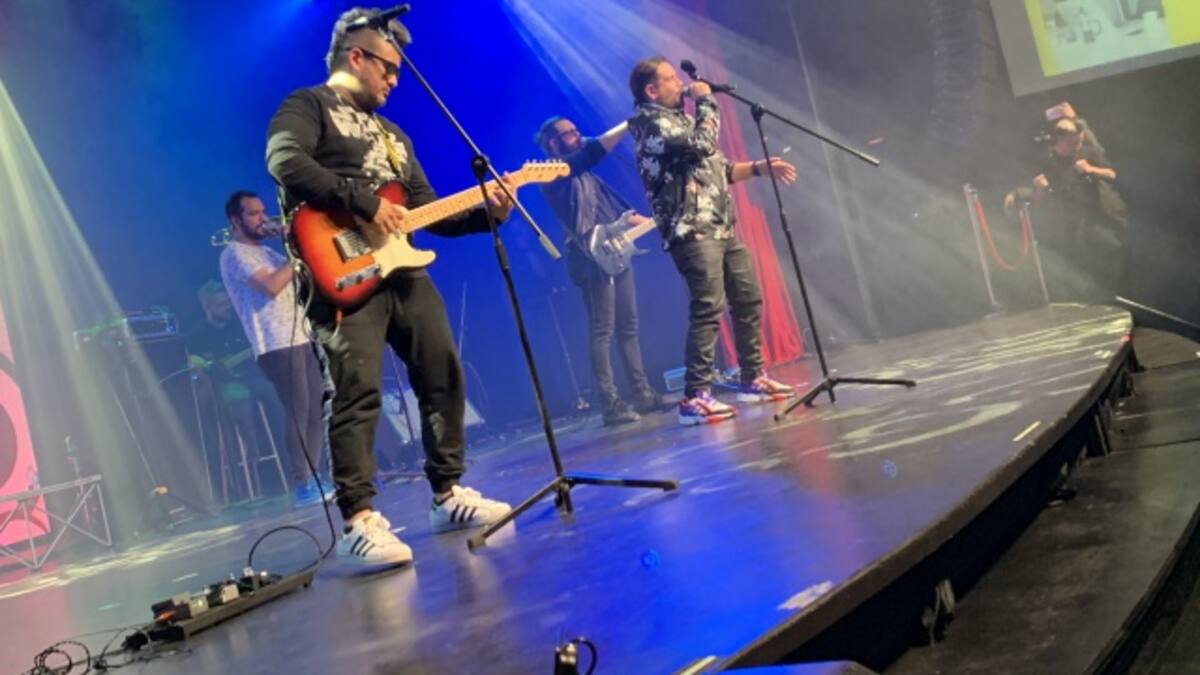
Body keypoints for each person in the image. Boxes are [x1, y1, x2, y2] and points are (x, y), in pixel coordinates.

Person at [266, 8, 515, 567]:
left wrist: (488, 213)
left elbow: (425, 209)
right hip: (341, 271)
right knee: (356, 391)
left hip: (404, 270)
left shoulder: (394, 136)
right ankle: (358, 522)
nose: (395, 80)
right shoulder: (307, 106)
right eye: (388, 68)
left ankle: (448, 493)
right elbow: (285, 161)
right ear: (356, 56)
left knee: (442, 372)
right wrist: (364, 203)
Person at [627, 56, 798, 426]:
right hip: (691, 230)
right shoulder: (650, 124)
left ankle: (752, 377)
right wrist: (705, 99)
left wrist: (758, 168)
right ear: (651, 90)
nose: (680, 84)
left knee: (747, 297)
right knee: (708, 307)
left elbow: (719, 168)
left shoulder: (680, 121)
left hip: (721, 226)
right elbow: (704, 143)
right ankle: (694, 397)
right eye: (670, 79)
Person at [534, 116, 667, 426]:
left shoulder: (589, 177)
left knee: (628, 325)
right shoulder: (552, 173)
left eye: (576, 130)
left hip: (615, 252)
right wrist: (626, 126)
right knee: (602, 330)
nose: (577, 135)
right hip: (589, 258)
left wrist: (658, 219)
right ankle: (610, 404)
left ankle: (642, 393)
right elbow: (585, 158)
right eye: (569, 134)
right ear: (552, 143)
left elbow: (621, 214)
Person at [219, 190, 329, 506]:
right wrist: (297, 252)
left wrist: (296, 243)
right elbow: (271, 286)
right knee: (298, 411)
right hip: (275, 343)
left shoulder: (268, 253)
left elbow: (303, 276)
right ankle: (302, 484)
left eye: (263, 211)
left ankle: (316, 477)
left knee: (315, 409)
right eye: (253, 213)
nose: (263, 219)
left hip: (301, 336)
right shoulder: (234, 254)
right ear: (235, 220)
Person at [1009, 118, 1129, 303]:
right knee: (1074, 259)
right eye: (1071, 143)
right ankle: (1083, 296)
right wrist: (1039, 190)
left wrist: (1090, 169)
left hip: (1096, 214)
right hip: (1066, 220)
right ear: (1057, 142)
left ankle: (1109, 293)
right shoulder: (1046, 162)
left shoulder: (1087, 153)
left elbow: (1111, 174)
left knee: (1106, 249)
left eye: (1078, 141)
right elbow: (1034, 200)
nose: (1076, 146)